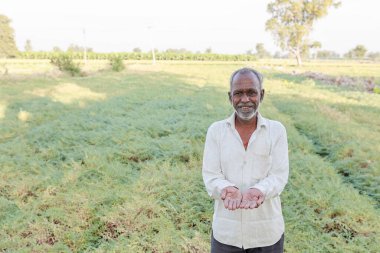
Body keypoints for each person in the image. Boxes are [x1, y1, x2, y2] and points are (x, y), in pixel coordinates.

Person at [202, 67, 289, 253]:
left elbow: (279, 176)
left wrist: (259, 190)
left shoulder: (277, 130)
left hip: (266, 233)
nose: (245, 99)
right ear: (230, 97)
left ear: (262, 95)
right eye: (238, 93)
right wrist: (226, 188)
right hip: (226, 234)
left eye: (251, 93)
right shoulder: (216, 131)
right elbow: (211, 175)